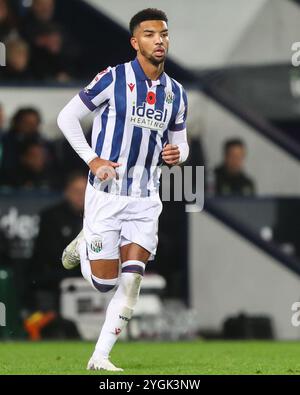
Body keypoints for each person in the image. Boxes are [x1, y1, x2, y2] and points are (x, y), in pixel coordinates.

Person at [57, 8, 189, 371]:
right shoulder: (112, 79)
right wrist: (92, 159)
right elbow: (66, 118)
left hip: (146, 197)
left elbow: (182, 143)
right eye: (149, 34)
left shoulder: (176, 93)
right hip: (107, 194)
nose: (159, 39)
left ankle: (100, 357)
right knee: (104, 282)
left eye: (163, 33)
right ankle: (86, 242)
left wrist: (179, 154)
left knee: (131, 281)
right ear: (135, 42)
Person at [31, 172, 86, 311]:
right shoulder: (51, 216)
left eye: (85, 191)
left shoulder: (97, 217)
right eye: (76, 191)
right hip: (56, 276)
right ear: (67, 192)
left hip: (88, 276)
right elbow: (50, 254)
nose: (81, 196)